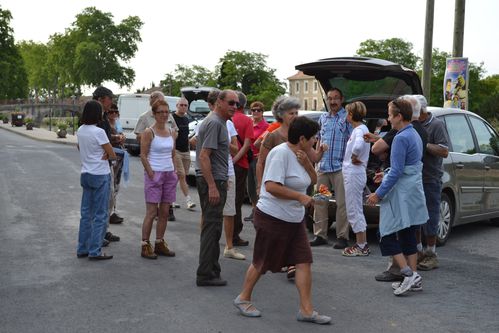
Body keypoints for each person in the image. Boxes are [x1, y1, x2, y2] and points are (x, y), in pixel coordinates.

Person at [233, 116, 331, 325]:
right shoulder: (280, 154)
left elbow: (312, 180)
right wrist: (300, 197)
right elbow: (271, 187)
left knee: (304, 261)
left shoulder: (301, 154)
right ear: (302, 138)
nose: (315, 141)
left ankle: (306, 310)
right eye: (313, 137)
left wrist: (307, 163)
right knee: (262, 261)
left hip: (294, 219)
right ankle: (243, 298)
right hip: (272, 217)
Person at [366, 98, 428, 296]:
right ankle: (414, 276)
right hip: (412, 190)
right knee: (408, 232)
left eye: (390, 114)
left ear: (399, 116)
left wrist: (378, 193)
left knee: (385, 233)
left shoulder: (401, 137)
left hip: (401, 192)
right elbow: (407, 167)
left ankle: (407, 274)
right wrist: (386, 174)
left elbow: (398, 172)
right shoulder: (414, 133)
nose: (388, 118)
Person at [195, 90, 237, 286]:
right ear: (219, 102)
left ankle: (212, 270)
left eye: (236, 104)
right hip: (212, 181)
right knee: (212, 228)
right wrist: (212, 185)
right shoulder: (214, 123)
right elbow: (204, 156)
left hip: (217, 180)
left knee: (213, 227)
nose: (234, 107)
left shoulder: (217, 122)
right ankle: (205, 273)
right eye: (230, 103)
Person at [310, 87, 352, 249]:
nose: (333, 101)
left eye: (336, 98)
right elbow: (319, 140)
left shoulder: (347, 118)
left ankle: (342, 236)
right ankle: (320, 234)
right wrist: (316, 160)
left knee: (342, 204)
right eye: (330, 98)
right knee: (320, 202)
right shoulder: (323, 118)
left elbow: (353, 140)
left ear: (341, 100)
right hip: (323, 167)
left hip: (340, 167)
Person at [76, 100, 116, 260]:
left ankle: (82, 248)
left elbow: (79, 147)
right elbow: (112, 153)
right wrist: (107, 155)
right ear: (97, 113)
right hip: (100, 173)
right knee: (100, 214)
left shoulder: (80, 130)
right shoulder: (99, 132)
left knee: (86, 214)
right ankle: (95, 250)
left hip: (86, 173)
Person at [414, 94, 450, 271]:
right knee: (415, 216)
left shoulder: (436, 124)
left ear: (420, 110)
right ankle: (418, 252)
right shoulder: (413, 123)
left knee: (430, 216)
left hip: (430, 178)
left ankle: (431, 254)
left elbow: (444, 151)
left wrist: (424, 143)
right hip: (414, 178)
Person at [139, 100, 178, 259]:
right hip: (155, 173)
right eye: (160, 112)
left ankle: (159, 242)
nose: (164, 114)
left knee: (164, 212)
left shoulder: (171, 132)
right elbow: (142, 154)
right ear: (154, 114)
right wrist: (151, 174)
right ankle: (145, 244)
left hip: (169, 174)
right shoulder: (149, 132)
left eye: (166, 111)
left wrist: (174, 172)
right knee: (151, 212)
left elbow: (173, 153)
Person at [134, 91, 179, 221]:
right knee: (152, 209)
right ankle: (146, 239)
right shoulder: (145, 117)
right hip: (154, 160)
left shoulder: (168, 116)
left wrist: (170, 137)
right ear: (152, 103)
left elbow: (176, 131)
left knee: (166, 203)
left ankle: (168, 209)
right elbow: (138, 135)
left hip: (169, 158)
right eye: (158, 101)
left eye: (163, 101)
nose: (164, 113)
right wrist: (152, 137)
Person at [341, 102, 371, 256]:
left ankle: (361, 245)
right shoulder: (362, 129)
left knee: (353, 209)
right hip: (356, 173)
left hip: (354, 173)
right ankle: (362, 243)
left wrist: (354, 156)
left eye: (347, 113)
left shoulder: (358, 130)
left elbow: (358, 146)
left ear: (351, 115)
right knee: (356, 207)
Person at [93, 86, 120, 245]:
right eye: (110, 99)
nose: (112, 103)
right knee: (102, 200)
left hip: (105, 163)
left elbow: (105, 137)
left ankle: (103, 230)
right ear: (102, 99)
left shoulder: (102, 116)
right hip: (100, 165)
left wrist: (115, 139)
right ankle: (98, 233)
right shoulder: (94, 117)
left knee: (108, 199)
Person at [231, 92, 254, 247]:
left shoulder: (227, 118)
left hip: (224, 163)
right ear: (244, 105)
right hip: (240, 164)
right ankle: (234, 234)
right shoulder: (247, 120)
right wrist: (237, 159)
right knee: (237, 201)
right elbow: (247, 145)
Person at [244, 101, 269, 222]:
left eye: (258, 110)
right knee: (250, 187)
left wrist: (264, 153)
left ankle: (260, 211)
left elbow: (270, 144)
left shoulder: (266, 127)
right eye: (253, 110)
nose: (255, 112)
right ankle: (254, 209)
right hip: (248, 159)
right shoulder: (249, 124)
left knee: (259, 185)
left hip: (259, 160)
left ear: (262, 112)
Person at [172, 97, 196, 210]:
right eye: (181, 105)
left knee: (181, 176)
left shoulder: (187, 119)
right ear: (177, 106)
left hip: (185, 151)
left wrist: (190, 142)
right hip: (175, 151)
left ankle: (170, 198)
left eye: (185, 105)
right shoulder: (172, 117)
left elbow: (186, 136)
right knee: (181, 175)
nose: (183, 107)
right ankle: (188, 200)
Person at [107, 103, 128, 224]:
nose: (114, 114)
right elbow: (108, 137)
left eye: (116, 112)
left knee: (116, 186)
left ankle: (113, 212)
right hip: (112, 156)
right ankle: (109, 213)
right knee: (111, 185)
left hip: (120, 156)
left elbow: (121, 135)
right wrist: (117, 137)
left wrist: (122, 137)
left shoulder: (117, 123)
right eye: (111, 112)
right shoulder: (105, 124)